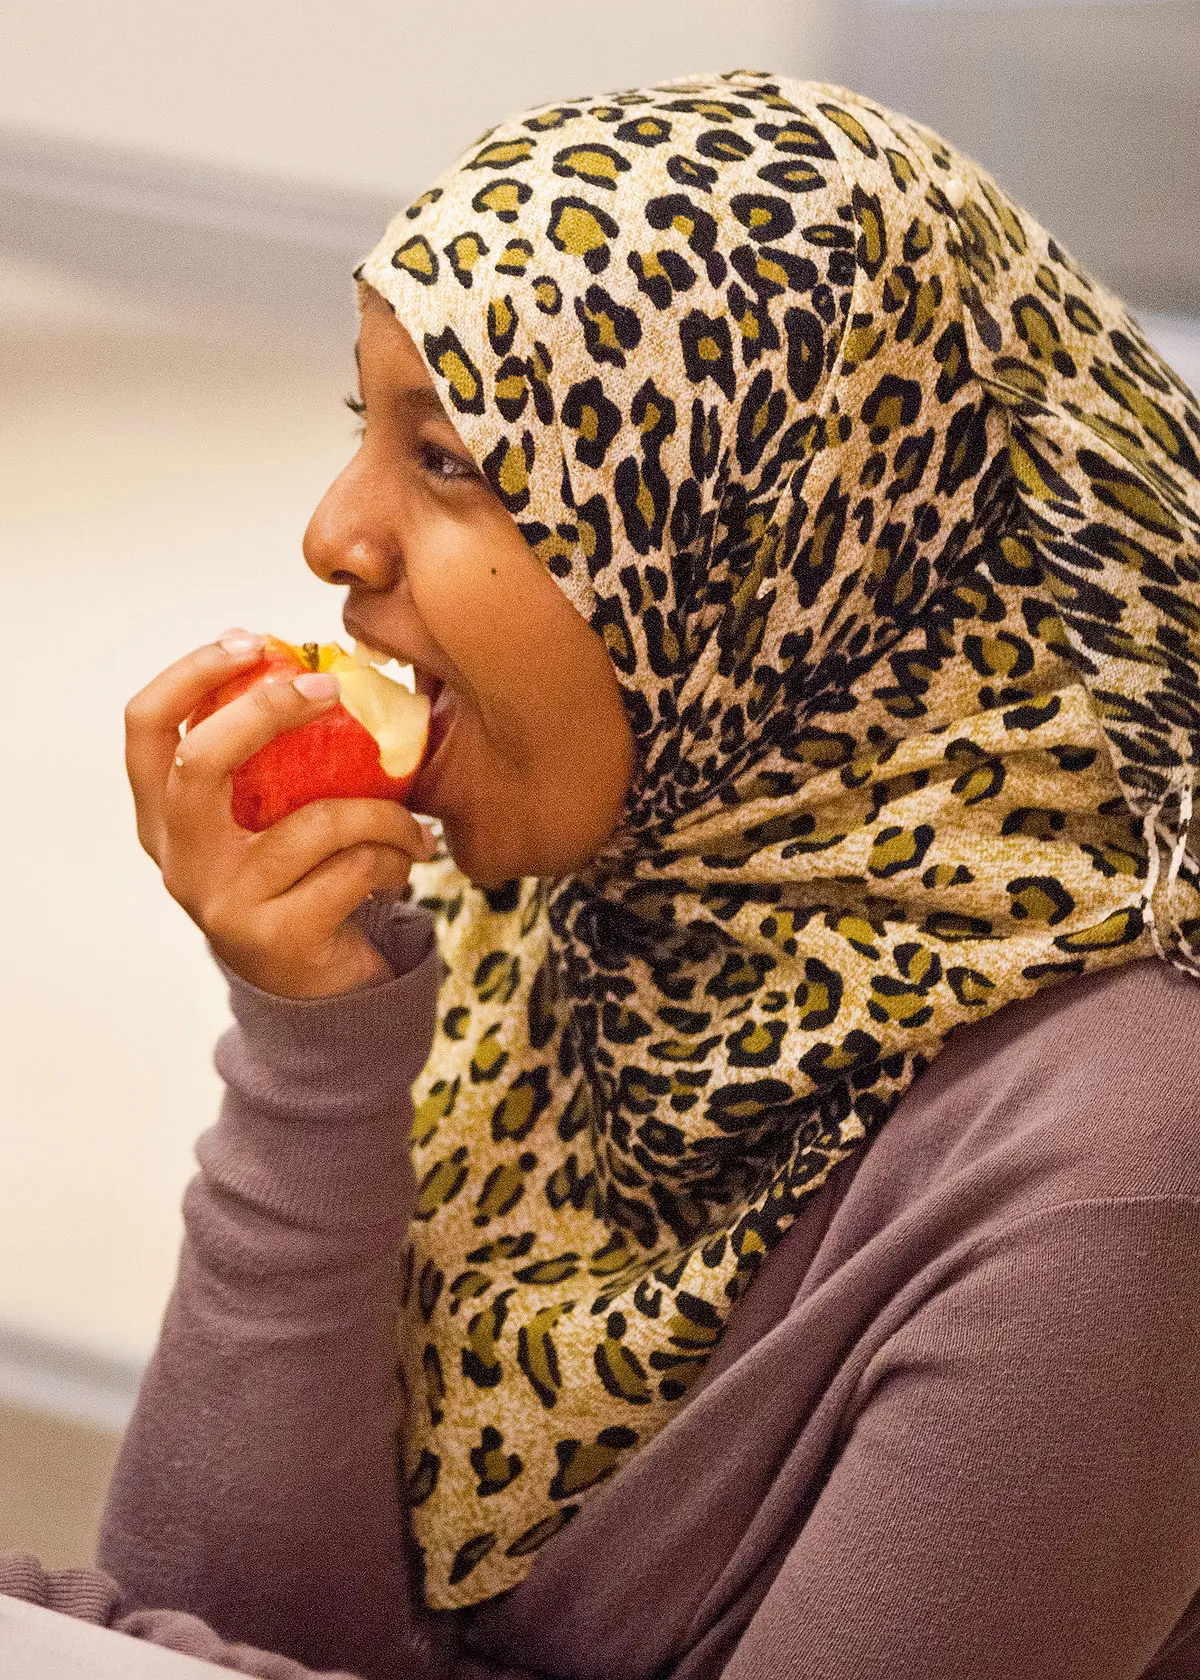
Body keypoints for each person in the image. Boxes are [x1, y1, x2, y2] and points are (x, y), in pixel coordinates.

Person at [3, 69, 1200, 1680]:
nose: (332, 535)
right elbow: (212, 1634)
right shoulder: (586, 908)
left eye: (453, 462)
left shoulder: (1129, 1183)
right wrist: (314, 1051)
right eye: (366, 433)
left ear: (786, 549)